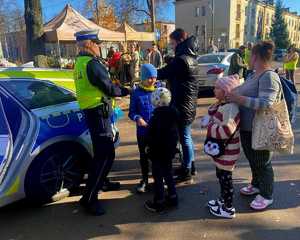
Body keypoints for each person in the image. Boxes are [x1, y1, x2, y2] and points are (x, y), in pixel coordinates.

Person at [73, 29, 130, 215]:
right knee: (104, 155)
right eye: (97, 43)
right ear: (89, 44)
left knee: (105, 152)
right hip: (98, 113)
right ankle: (89, 198)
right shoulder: (92, 63)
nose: (100, 47)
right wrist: (125, 91)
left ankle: (102, 182)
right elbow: (109, 88)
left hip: (93, 112)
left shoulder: (80, 62)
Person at [226, 40, 281, 211]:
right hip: (247, 127)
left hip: (261, 128)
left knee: (263, 162)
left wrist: (238, 99)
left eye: (250, 55)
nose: (247, 58)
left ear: (256, 56)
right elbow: (241, 89)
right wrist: (228, 92)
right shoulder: (253, 75)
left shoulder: (269, 76)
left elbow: (266, 103)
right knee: (253, 159)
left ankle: (267, 194)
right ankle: (256, 184)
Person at [157, 28, 200, 182]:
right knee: (186, 137)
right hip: (188, 104)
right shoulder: (190, 57)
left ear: (180, 42)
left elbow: (165, 72)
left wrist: (150, 73)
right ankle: (190, 166)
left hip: (183, 105)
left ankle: (186, 170)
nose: (172, 46)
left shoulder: (182, 59)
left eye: (173, 43)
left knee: (185, 138)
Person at [201, 75, 241, 219]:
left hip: (228, 152)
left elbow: (227, 130)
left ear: (226, 91)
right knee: (221, 177)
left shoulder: (230, 108)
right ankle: (223, 200)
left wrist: (210, 126)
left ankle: (228, 208)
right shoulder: (224, 105)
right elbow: (214, 114)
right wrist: (215, 106)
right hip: (222, 152)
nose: (214, 90)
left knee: (226, 180)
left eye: (217, 88)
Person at [144, 87, 179, 213]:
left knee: (158, 176)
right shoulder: (174, 114)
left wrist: (148, 146)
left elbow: (149, 135)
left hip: (157, 152)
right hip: (169, 151)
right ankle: (173, 197)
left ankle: (159, 201)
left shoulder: (155, 117)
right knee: (168, 173)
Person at [128, 64, 157, 193]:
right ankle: (144, 180)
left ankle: (158, 180)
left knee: (156, 157)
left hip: (157, 131)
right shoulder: (136, 93)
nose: (152, 80)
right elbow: (131, 112)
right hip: (143, 132)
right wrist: (137, 118)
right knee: (144, 156)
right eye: (149, 78)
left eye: (154, 77)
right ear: (143, 78)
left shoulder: (159, 91)